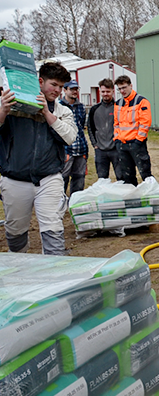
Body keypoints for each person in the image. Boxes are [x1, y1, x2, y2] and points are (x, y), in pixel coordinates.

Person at [0, 62, 78, 255]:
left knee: (53, 227)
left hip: (49, 178)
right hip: (15, 178)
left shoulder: (62, 111)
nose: (57, 90)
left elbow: (69, 137)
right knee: (15, 231)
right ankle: (19, 261)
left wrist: (47, 113)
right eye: (54, 84)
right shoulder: (13, 104)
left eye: (61, 86)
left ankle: (54, 265)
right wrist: (3, 110)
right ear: (40, 82)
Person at [113, 75, 152, 185]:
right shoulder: (118, 104)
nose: (122, 91)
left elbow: (145, 123)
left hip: (137, 144)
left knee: (145, 174)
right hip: (122, 144)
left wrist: (138, 141)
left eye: (124, 87)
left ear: (131, 86)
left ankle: (151, 193)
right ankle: (132, 194)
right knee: (127, 177)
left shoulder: (142, 102)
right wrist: (117, 140)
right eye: (119, 89)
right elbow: (116, 124)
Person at [88, 78, 121, 180]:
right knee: (102, 179)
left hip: (116, 149)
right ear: (100, 91)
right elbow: (90, 127)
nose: (105, 94)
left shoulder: (119, 108)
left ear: (112, 91)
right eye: (103, 91)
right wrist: (95, 144)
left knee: (122, 178)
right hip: (100, 150)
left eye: (108, 91)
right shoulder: (94, 109)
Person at [60, 80, 88, 195]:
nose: (74, 91)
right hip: (66, 150)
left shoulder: (81, 107)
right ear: (65, 90)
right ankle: (60, 202)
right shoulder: (59, 106)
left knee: (79, 178)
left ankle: (75, 201)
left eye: (76, 89)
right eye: (71, 89)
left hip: (80, 149)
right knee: (62, 178)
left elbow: (81, 126)